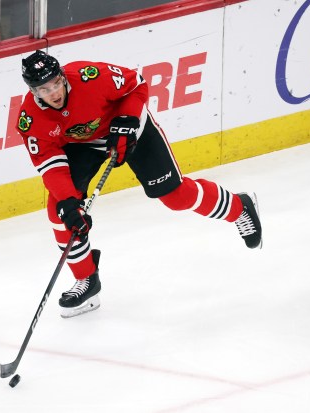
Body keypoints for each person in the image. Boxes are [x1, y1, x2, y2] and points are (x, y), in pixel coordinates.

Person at [18, 50, 263, 318]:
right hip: (83, 145)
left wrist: (128, 121)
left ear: (63, 76)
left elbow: (137, 84)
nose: (53, 92)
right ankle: (87, 280)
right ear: (33, 92)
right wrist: (68, 202)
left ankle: (240, 207)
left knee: (174, 196)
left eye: (55, 83)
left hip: (128, 127)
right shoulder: (29, 120)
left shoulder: (92, 77)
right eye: (44, 89)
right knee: (61, 211)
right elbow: (51, 163)